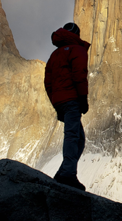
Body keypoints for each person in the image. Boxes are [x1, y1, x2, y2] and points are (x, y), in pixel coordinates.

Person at [43, 22, 91, 191]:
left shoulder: (54, 55)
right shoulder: (77, 50)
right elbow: (80, 75)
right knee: (72, 136)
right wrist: (83, 99)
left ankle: (64, 171)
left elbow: (47, 82)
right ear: (76, 35)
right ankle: (68, 174)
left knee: (79, 138)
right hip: (72, 100)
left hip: (60, 101)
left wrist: (56, 101)